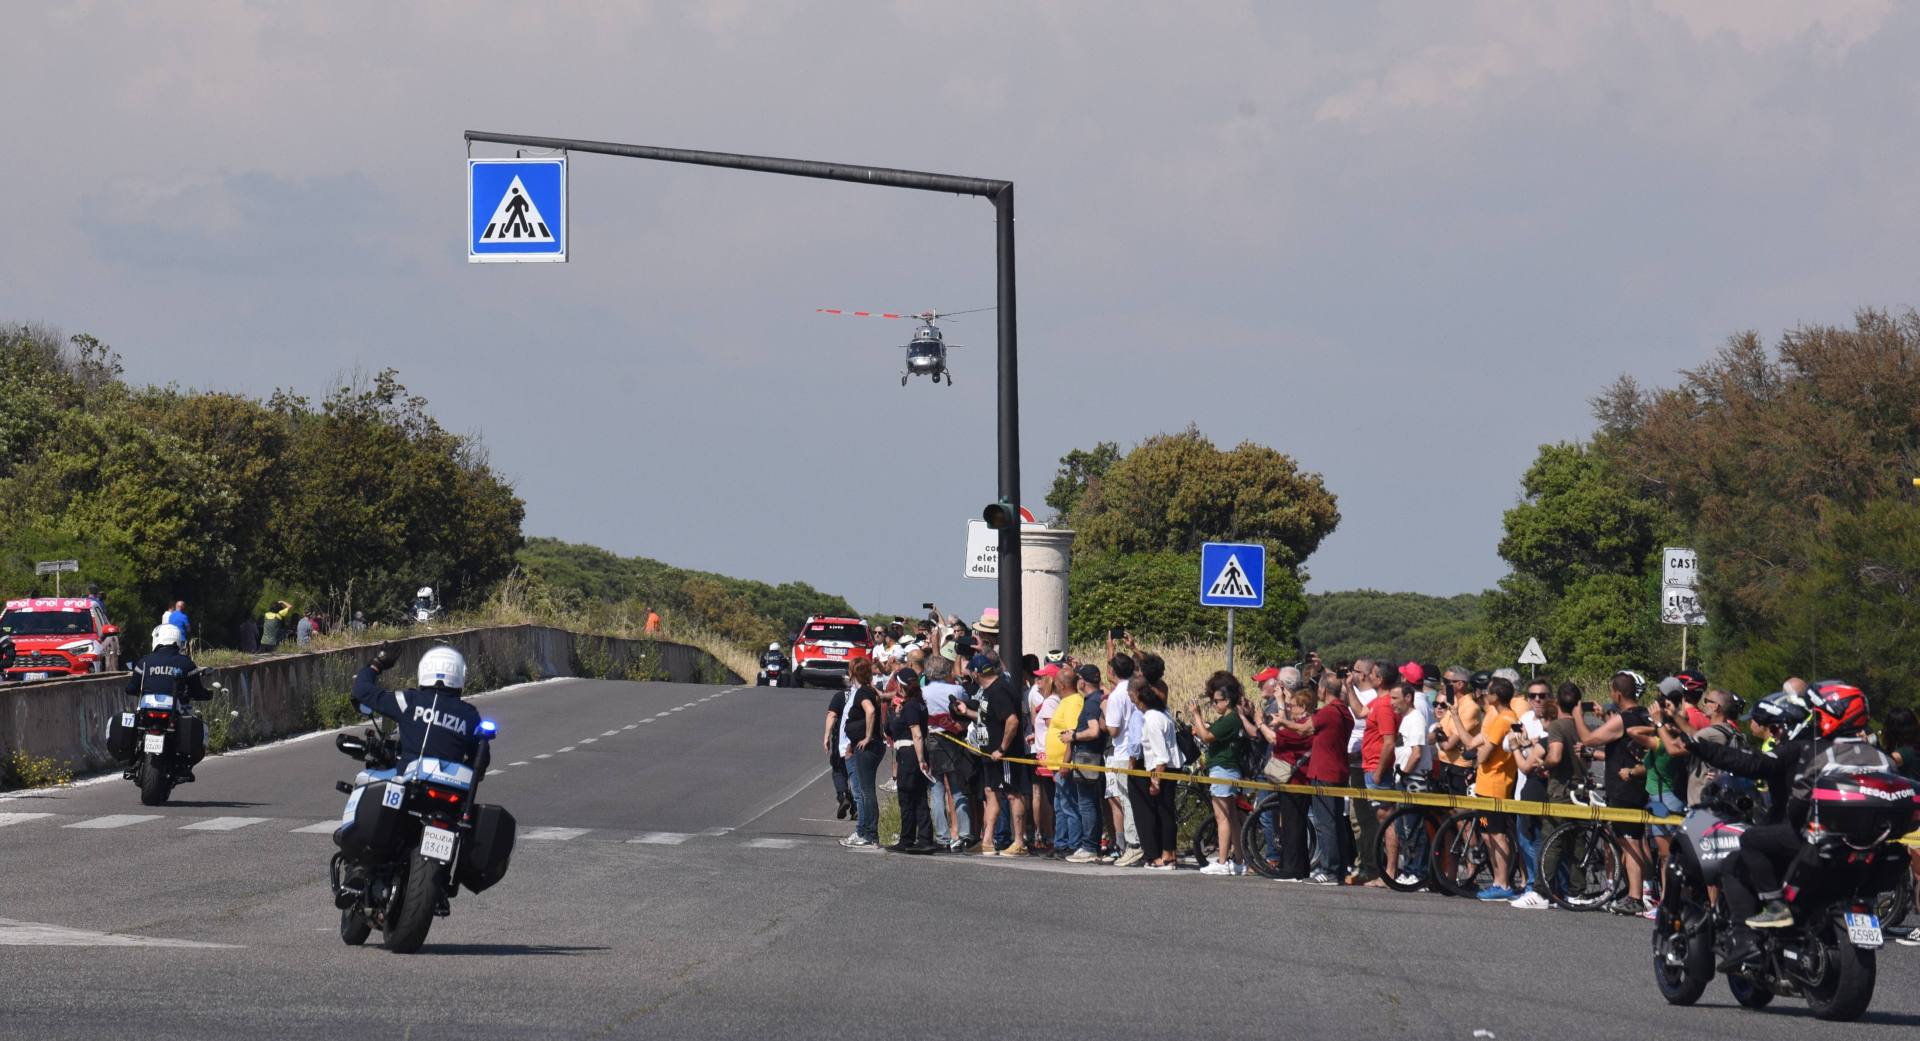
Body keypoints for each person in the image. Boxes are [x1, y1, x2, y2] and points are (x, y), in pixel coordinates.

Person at [1676, 682, 1889, 968]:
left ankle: (1748, 939)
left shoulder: (1803, 750)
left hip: (1808, 837)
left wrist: (1698, 746)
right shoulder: (1868, 753)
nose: (1774, 733)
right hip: (1858, 842)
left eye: (1776, 728)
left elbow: (1754, 768)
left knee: (1738, 858)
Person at [336, 644, 488, 905]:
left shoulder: (410, 700)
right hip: (452, 795)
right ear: (460, 676)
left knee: (367, 781)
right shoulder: (470, 716)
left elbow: (361, 691)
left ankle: (361, 866)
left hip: (411, 781)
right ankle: (441, 882)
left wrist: (377, 665)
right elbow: (481, 761)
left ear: (425, 672)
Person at [1573, 670, 1655, 915]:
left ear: (1617, 694)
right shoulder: (1644, 714)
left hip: (1624, 788)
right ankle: (1636, 892)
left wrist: (1578, 715)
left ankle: (1635, 896)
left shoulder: (1624, 719)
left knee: (1629, 843)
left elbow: (1589, 738)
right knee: (1632, 840)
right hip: (1637, 786)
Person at [1281, 673, 1353, 884]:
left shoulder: (1331, 712)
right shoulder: (1344, 711)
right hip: (1338, 770)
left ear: (1323, 690)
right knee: (1336, 821)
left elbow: (1305, 728)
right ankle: (1338, 868)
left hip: (1324, 772)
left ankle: (1329, 869)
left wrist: (1283, 721)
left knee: (1325, 823)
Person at [1462, 676, 1521, 901]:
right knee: (1488, 834)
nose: (1485, 695)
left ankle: (1502, 882)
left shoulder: (1503, 719)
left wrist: (1477, 756)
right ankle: (1499, 881)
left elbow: (1485, 753)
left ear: (1495, 696)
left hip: (1494, 784)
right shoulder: (1509, 717)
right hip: (1491, 783)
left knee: (1495, 835)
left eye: (1488, 692)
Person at [123, 623, 211, 774]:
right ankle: (182, 766)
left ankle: (133, 760)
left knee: (137, 727)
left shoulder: (145, 661)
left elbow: (131, 688)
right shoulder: (186, 663)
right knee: (193, 726)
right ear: (177, 641)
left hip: (147, 709)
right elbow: (198, 691)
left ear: (157, 639)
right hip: (172, 712)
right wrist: (207, 694)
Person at [964, 653, 1028, 856]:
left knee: (1012, 793)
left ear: (975, 673)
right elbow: (988, 716)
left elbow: (1012, 721)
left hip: (1004, 754)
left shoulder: (999, 690)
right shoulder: (987, 692)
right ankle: (987, 841)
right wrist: (964, 711)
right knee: (990, 792)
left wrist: (1002, 748)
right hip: (988, 753)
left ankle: (1019, 842)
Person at [1190, 671, 1249, 876]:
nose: (1214, 705)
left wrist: (1196, 714)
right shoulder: (1230, 719)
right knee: (1231, 817)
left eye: (1217, 701)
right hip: (1228, 770)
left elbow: (1207, 736)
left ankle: (1223, 861)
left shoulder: (1231, 719)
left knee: (1221, 817)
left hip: (1223, 770)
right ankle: (1239, 860)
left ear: (1228, 700)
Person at [920, 655, 974, 850]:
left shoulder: (923, 692)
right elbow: (966, 707)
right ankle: (965, 833)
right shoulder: (957, 689)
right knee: (958, 789)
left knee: (936, 790)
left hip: (932, 740)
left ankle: (942, 837)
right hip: (953, 740)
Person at [1133, 676, 1184, 870]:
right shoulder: (1163, 714)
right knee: (1167, 812)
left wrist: (1156, 781)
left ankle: (1166, 856)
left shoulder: (1152, 719)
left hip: (1163, 769)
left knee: (1164, 813)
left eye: (1137, 701)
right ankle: (1171, 854)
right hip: (1171, 767)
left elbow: (1160, 756)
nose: (1136, 705)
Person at [887, 667, 936, 853]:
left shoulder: (912, 706)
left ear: (901, 685)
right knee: (918, 797)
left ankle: (912, 839)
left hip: (911, 754)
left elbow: (916, 734)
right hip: (912, 753)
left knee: (908, 797)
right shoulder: (916, 704)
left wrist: (921, 759)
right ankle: (919, 838)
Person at [1061, 665, 1107, 862]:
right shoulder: (1099, 698)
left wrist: (1073, 736)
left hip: (1087, 755)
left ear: (1082, 681)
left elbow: (1094, 730)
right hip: (1094, 755)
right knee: (1092, 802)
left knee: (1087, 803)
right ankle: (1092, 844)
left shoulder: (1090, 703)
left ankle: (1089, 846)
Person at [838, 657, 884, 847]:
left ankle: (868, 833)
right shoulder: (870, 690)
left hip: (868, 747)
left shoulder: (863, 693)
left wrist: (867, 737)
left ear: (853, 673)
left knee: (865, 791)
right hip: (867, 745)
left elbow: (870, 711)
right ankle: (865, 831)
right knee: (865, 790)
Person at [1102, 653, 1143, 865]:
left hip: (1121, 753)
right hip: (1137, 750)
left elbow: (1114, 730)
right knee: (1132, 800)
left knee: (1126, 801)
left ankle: (1133, 845)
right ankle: (1136, 843)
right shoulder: (1135, 689)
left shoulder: (1117, 696)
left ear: (1112, 672)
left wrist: (1104, 719)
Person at [823, 683, 853, 820]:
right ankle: (856, 806)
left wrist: (826, 736)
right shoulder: (865, 694)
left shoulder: (840, 696)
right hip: (860, 737)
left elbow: (832, 716)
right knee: (855, 773)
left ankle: (842, 796)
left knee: (838, 769)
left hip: (842, 739)